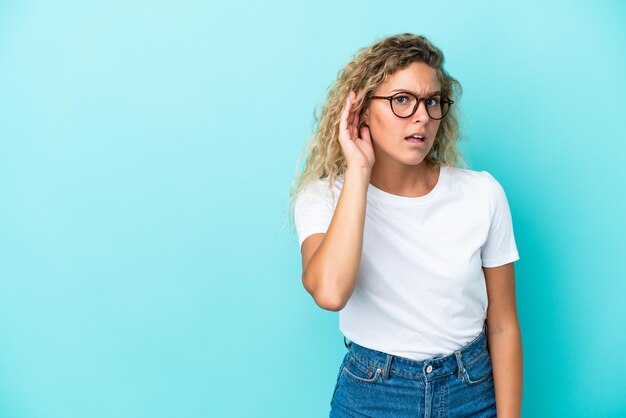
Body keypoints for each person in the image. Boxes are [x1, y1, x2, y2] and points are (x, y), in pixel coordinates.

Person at [288, 33, 522, 418]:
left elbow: (502, 326)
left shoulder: (482, 193)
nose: (422, 116)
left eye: (432, 101)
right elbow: (330, 293)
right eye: (401, 100)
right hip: (374, 394)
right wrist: (359, 172)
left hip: (471, 390)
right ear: (360, 110)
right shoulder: (323, 198)